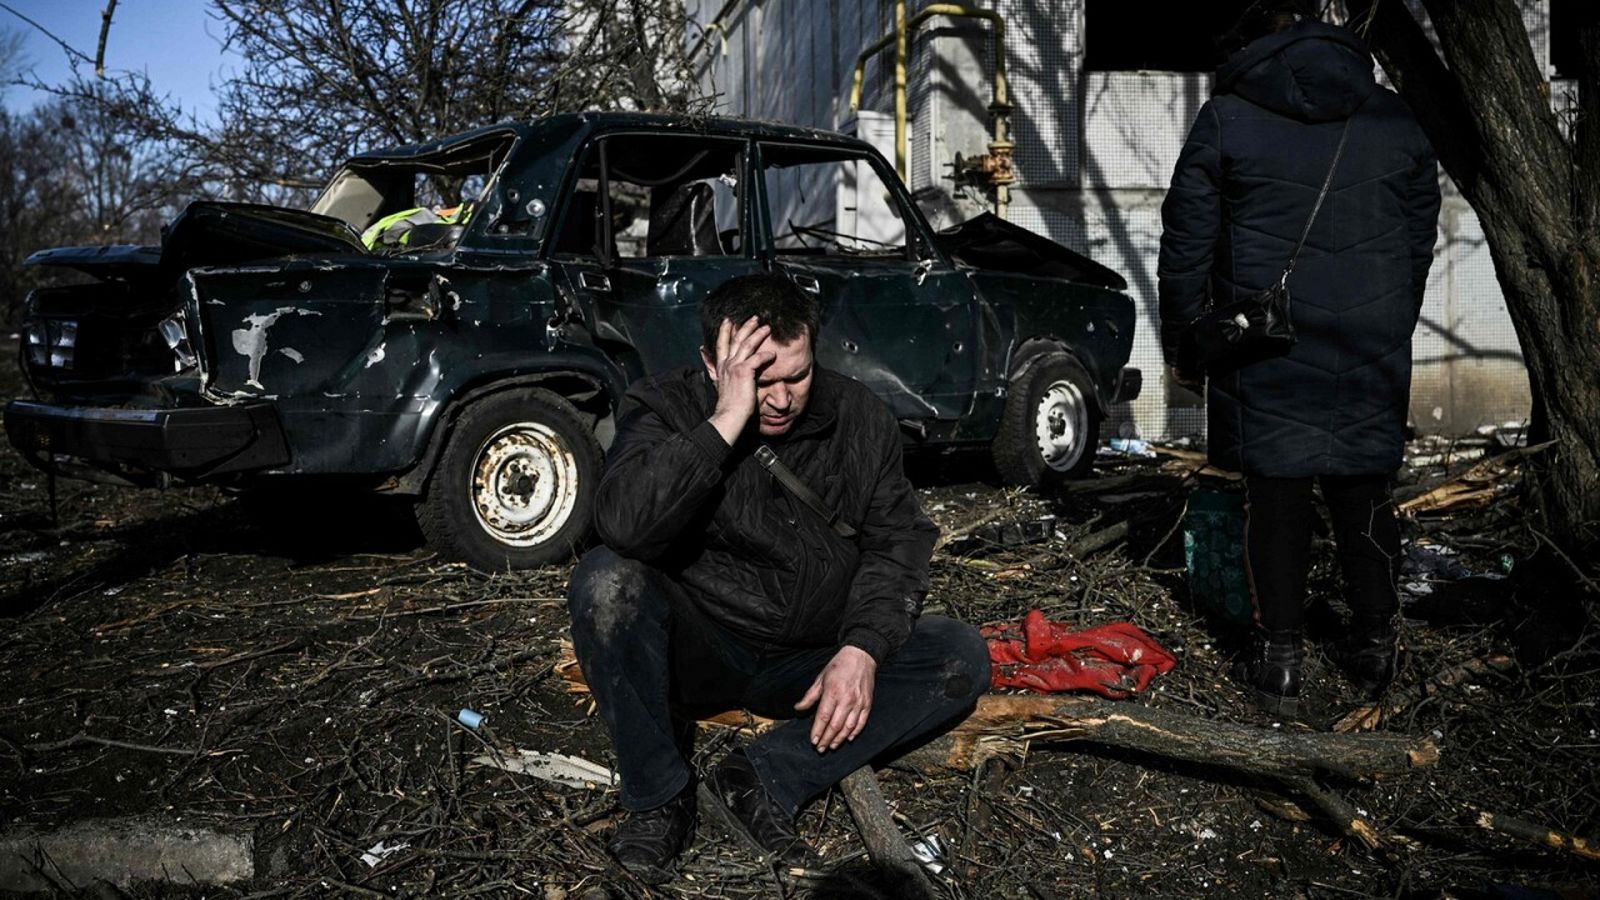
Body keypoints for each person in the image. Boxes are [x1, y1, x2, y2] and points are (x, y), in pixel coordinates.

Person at [567, 273, 990, 882]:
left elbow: (898, 542)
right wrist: (725, 421)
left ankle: (760, 778)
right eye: (760, 380)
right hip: (700, 651)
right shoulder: (663, 405)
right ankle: (659, 799)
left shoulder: (859, 416)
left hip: (810, 661)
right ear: (712, 365)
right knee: (607, 582)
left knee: (958, 654)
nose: (782, 398)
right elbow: (624, 527)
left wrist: (862, 648)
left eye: (797, 376)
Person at [1158, 4, 1441, 716]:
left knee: (1276, 495)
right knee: (1364, 487)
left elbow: (1186, 240)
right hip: (1370, 336)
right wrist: (1393, 317)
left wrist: (1187, 340)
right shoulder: (1393, 117)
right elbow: (1419, 234)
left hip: (1265, 341)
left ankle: (1280, 662)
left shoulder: (1228, 117)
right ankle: (1376, 645)